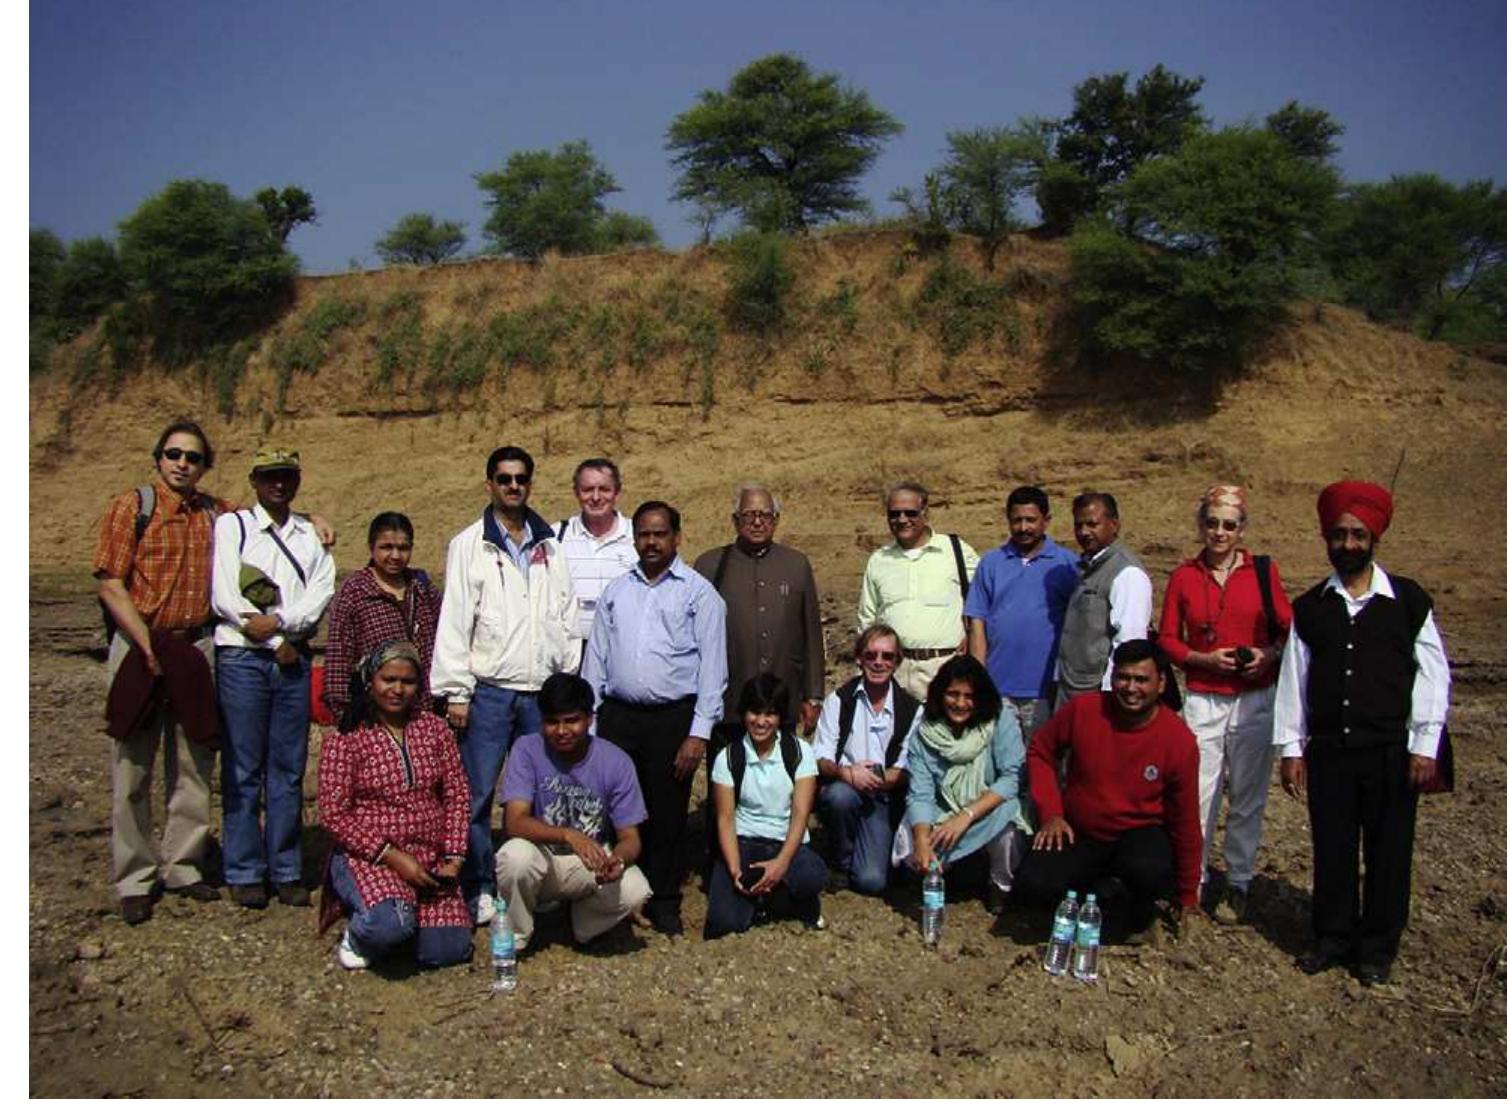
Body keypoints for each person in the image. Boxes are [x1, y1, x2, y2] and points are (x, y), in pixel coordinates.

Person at [1275, 481, 1449, 986]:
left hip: (1392, 751)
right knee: (1332, 846)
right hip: (1330, 750)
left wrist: (1424, 743)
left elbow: (1434, 674)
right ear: (1326, 539)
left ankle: (1377, 946)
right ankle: (1331, 937)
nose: (1347, 544)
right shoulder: (1310, 608)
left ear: (1374, 538)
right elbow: (1294, 679)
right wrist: (1291, 748)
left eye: (1357, 535)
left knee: (1389, 850)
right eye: (1338, 535)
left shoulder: (1408, 601)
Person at [94, 421, 236, 924]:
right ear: (158, 458)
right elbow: (111, 581)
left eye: (193, 457)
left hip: (195, 642)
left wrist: (315, 516)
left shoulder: (215, 513)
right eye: (174, 454)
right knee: (132, 763)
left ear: (203, 466)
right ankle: (135, 875)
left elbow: (268, 516)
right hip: (139, 640)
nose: (182, 463)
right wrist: (143, 641)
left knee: (195, 761)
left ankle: (184, 864)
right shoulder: (132, 507)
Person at [430, 445, 577, 925]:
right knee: (476, 795)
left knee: (544, 792)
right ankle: (480, 886)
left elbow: (566, 614)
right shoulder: (470, 544)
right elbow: (455, 619)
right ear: (489, 483)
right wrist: (456, 689)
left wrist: (566, 681)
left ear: (530, 484)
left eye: (521, 479)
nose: (513, 487)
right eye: (504, 479)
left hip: (540, 692)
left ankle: (541, 882)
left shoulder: (550, 544)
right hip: (490, 691)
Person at [581, 501, 727, 936]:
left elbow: (713, 672)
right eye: (643, 533)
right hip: (619, 717)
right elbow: (596, 662)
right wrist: (591, 723)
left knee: (666, 814)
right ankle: (620, 897)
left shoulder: (699, 594)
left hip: (672, 719)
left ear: (677, 537)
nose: (650, 542)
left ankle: (664, 900)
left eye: (659, 533)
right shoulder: (617, 591)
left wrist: (698, 734)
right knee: (620, 811)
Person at [1157, 484, 1292, 924]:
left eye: (1228, 525)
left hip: (1253, 697)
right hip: (1203, 697)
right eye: (1212, 523)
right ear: (1201, 525)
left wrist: (1266, 656)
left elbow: (1285, 631)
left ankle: (1238, 881)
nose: (1219, 532)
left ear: (1241, 529)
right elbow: (1168, 639)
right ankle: (1190, 882)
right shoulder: (1184, 575)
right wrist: (1202, 659)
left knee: (1248, 795)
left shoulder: (1263, 572)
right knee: (1199, 793)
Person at [211, 447, 336, 909]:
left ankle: (285, 867)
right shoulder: (233, 526)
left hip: (292, 657)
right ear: (255, 480)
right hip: (244, 656)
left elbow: (321, 590)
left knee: (287, 767)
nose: (278, 484)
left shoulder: (308, 533)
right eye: (270, 477)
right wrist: (270, 641)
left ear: (297, 479)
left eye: (286, 476)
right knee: (244, 768)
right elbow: (224, 593)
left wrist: (282, 624)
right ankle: (244, 869)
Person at [1017, 640, 1201, 943]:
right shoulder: (1086, 710)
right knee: (1035, 882)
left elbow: (1186, 820)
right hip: (1079, 830)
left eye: (1141, 680)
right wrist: (1051, 813)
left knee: (1149, 871)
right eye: (1123, 677)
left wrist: (1188, 895)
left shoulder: (1178, 740)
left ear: (1161, 683)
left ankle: (1132, 914)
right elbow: (1041, 750)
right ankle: (1089, 899)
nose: (1130, 687)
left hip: (1137, 835)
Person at [317, 640, 472, 972]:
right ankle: (365, 931)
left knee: (450, 949)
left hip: (429, 857)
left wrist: (454, 858)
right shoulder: (348, 736)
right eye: (388, 680)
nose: (398, 689)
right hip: (372, 857)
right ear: (371, 680)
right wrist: (394, 857)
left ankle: (398, 926)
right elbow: (333, 814)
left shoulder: (434, 729)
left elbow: (457, 795)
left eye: (408, 682)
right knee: (390, 925)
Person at [495, 673, 652, 952]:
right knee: (513, 857)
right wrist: (568, 835)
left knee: (635, 889)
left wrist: (618, 858)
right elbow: (515, 822)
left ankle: (581, 925)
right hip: (542, 858)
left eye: (571, 720)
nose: (562, 730)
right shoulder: (527, 749)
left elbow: (631, 837)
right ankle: (517, 935)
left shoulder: (616, 761)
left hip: (590, 864)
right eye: (552, 721)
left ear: (589, 719)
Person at [891, 655, 1031, 915]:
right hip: (944, 807)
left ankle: (1000, 888)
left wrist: (966, 816)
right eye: (953, 694)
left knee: (1009, 831)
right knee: (913, 841)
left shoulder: (999, 720)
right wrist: (922, 840)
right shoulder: (926, 731)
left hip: (988, 805)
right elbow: (920, 794)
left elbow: (1011, 778)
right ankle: (942, 876)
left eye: (969, 696)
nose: (960, 703)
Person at [693, 482, 825, 734]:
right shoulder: (709, 565)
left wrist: (813, 696)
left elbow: (811, 634)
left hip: (781, 698)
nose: (756, 522)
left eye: (764, 515)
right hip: (728, 700)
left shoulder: (796, 565)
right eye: (749, 515)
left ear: (775, 520)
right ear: (735, 520)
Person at [705, 675, 827, 938]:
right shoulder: (728, 757)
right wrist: (736, 871)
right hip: (745, 843)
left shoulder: (799, 752)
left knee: (812, 875)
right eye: (754, 712)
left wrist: (780, 864)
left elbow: (800, 814)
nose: (761, 722)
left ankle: (771, 900)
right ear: (743, 713)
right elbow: (725, 818)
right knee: (723, 923)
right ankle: (763, 902)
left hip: (786, 843)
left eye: (769, 714)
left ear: (780, 717)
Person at [965, 485, 1080, 743]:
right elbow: (977, 622)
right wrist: (979, 677)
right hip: (998, 687)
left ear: (1046, 520)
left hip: (1044, 689)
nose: (1023, 527)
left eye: (1031, 520)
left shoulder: (1066, 565)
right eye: (1017, 520)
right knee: (1002, 764)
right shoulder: (991, 563)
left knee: (1042, 760)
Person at [812, 624, 920, 895]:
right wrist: (847, 774)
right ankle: (840, 861)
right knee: (839, 798)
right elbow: (820, 756)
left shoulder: (913, 709)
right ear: (859, 658)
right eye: (871, 655)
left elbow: (908, 768)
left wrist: (877, 779)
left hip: (885, 797)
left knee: (871, 881)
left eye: (887, 656)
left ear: (897, 662)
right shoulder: (839, 700)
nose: (879, 662)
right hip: (846, 787)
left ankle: (873, 849)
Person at [857, 481, 979, 701]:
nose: (902, 519)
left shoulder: (955, 550)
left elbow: (983, 597)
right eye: (894, 514)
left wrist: (972, 635)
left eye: (910, 512)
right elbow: (867, 619)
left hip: (944, 669)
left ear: (925, 512)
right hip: (893, 671)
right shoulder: (879, 560)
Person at [321, 512, 442, 723]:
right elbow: (340, 654)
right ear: (371, 547)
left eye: (403, 548)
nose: (395, 556)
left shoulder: (422, 588)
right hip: (374, 713)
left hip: (424, 709)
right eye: (386, 547)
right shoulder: (356, 591)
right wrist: (344, 711)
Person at [1056, 492, 1153, 707]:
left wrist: (1113, 696)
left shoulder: (1127, 574)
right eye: (1078, 525)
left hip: (1099, 696)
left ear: (1114, 524)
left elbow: (1129, 642)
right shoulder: (1087, 568)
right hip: (1071, 690)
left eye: (1092, 524)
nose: (1084, 532)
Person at [554, 458, 637, 669]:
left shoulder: (638, 536)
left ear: (617, 492)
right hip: (571, 656)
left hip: (623, 651)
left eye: (604, 489)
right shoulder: (556, 537)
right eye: (588, 489)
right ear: (576, 493)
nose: (596, 497)